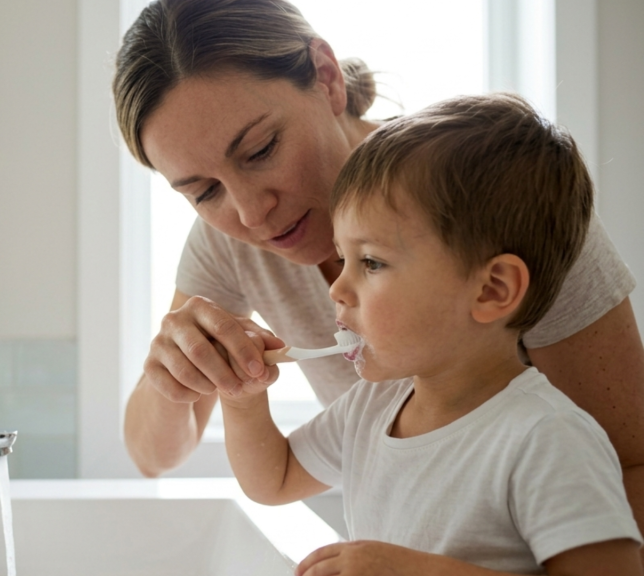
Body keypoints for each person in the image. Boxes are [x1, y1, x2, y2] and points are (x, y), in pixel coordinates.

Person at [112, 0, 644, 546]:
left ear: (326, 77)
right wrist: (186, 373)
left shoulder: (492, 206)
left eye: (261, 149)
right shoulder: (371, 399)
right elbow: (156, 457)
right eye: (203, 191)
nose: (250, 213)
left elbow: (629, 466)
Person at [220, 92, 642, 575]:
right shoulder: (372, 407)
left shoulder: (547, 438)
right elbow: (273, 480)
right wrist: (242, 398)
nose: (337, 288)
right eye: (343, 259)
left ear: (492, 290)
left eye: (371, 262)